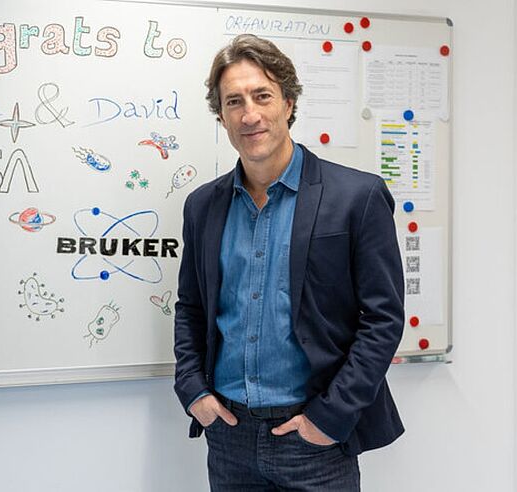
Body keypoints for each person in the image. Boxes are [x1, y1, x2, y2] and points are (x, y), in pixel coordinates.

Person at [173, 34, 405, 491]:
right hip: (229, 440)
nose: (250, 114)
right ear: (221, 116)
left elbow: (383, 320)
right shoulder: (203, 207)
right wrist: (193, 390)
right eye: (233, 101)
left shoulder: (356, 198)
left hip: (315, 441)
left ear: (289, 103)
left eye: (262, 96)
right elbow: (191, 308)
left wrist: (330, 417)